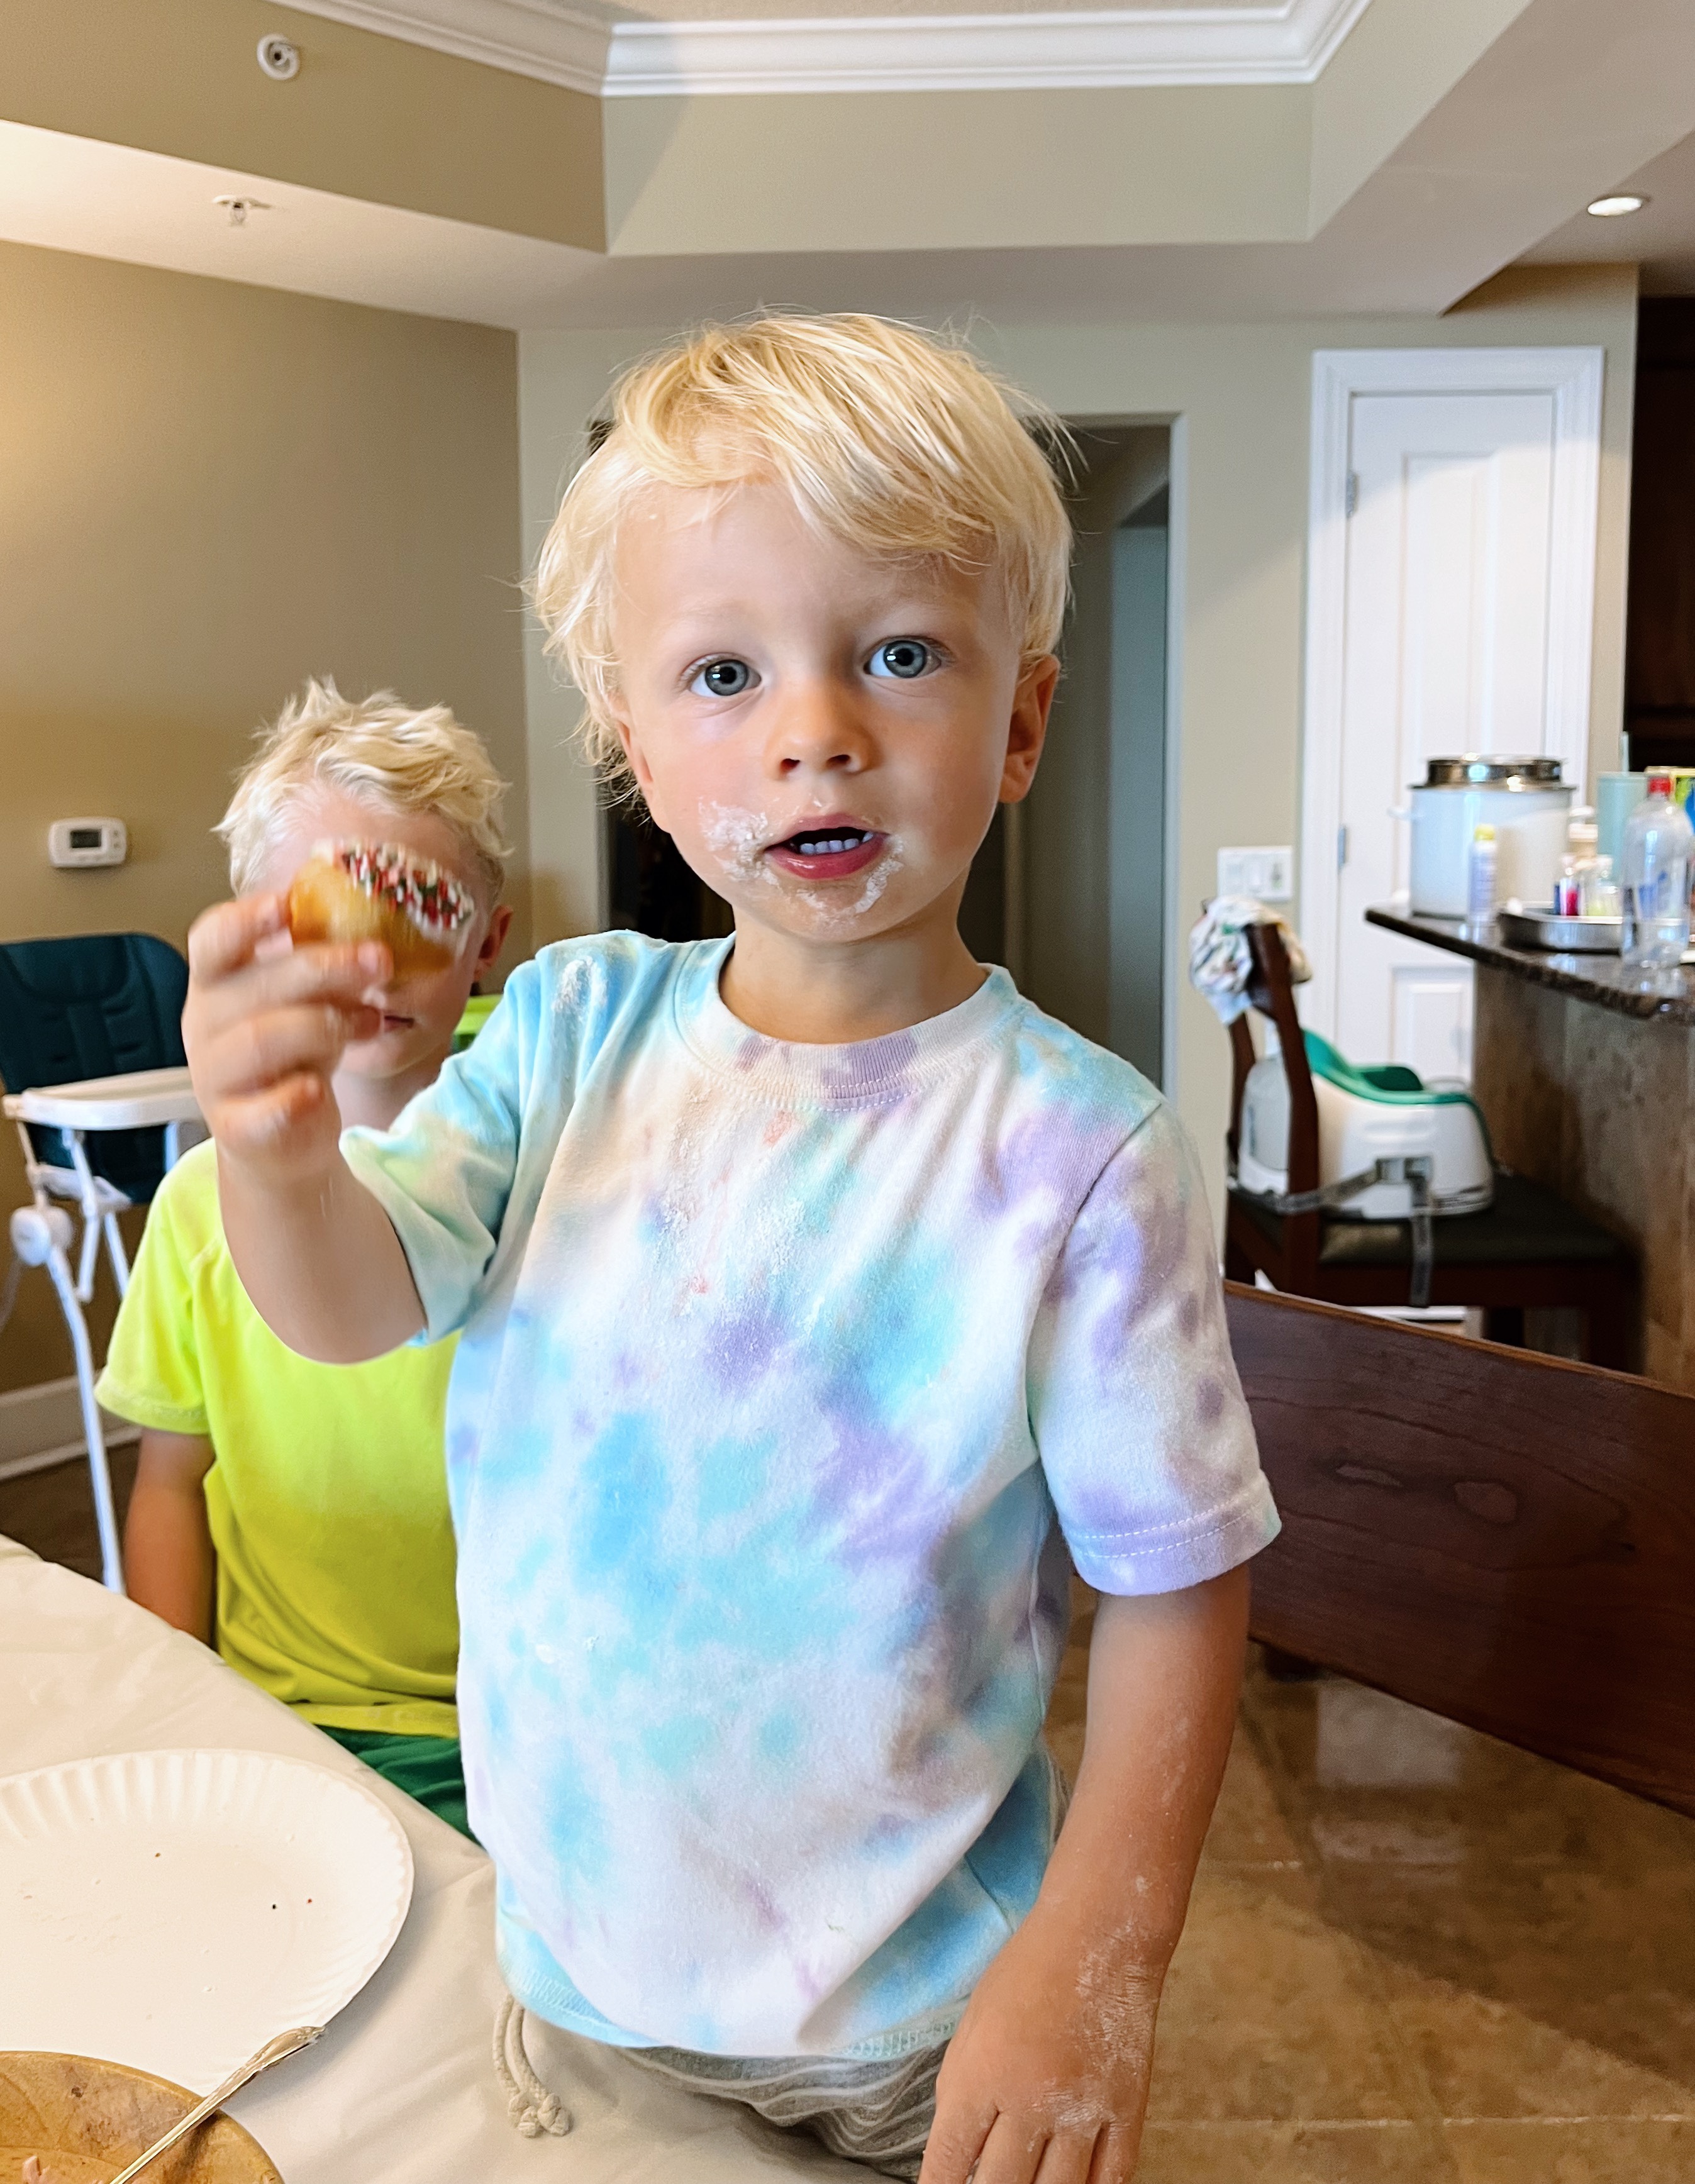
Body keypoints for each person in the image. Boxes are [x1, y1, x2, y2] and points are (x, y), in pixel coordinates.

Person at [179, 316, 1280, 2183]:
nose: (814, 729)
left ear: (1020, 723)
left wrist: (1096, 1958)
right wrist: (280, 1161)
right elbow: (353, 1311)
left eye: (901, 653)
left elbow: (1177, 1588)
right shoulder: (562, 1038)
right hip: (573, 1966)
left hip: (913, 2024)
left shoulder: (1081, 1153)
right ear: (637, 750)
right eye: (721, 672)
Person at [100, 680, 512, 1838]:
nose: (370, 964)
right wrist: (180, 1700)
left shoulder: (542, 1171)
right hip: (285, 1711)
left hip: (514, 1713)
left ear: (486, 944)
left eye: (417, 911)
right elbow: (170, 1481)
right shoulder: (195, 1209)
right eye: (323, 919)